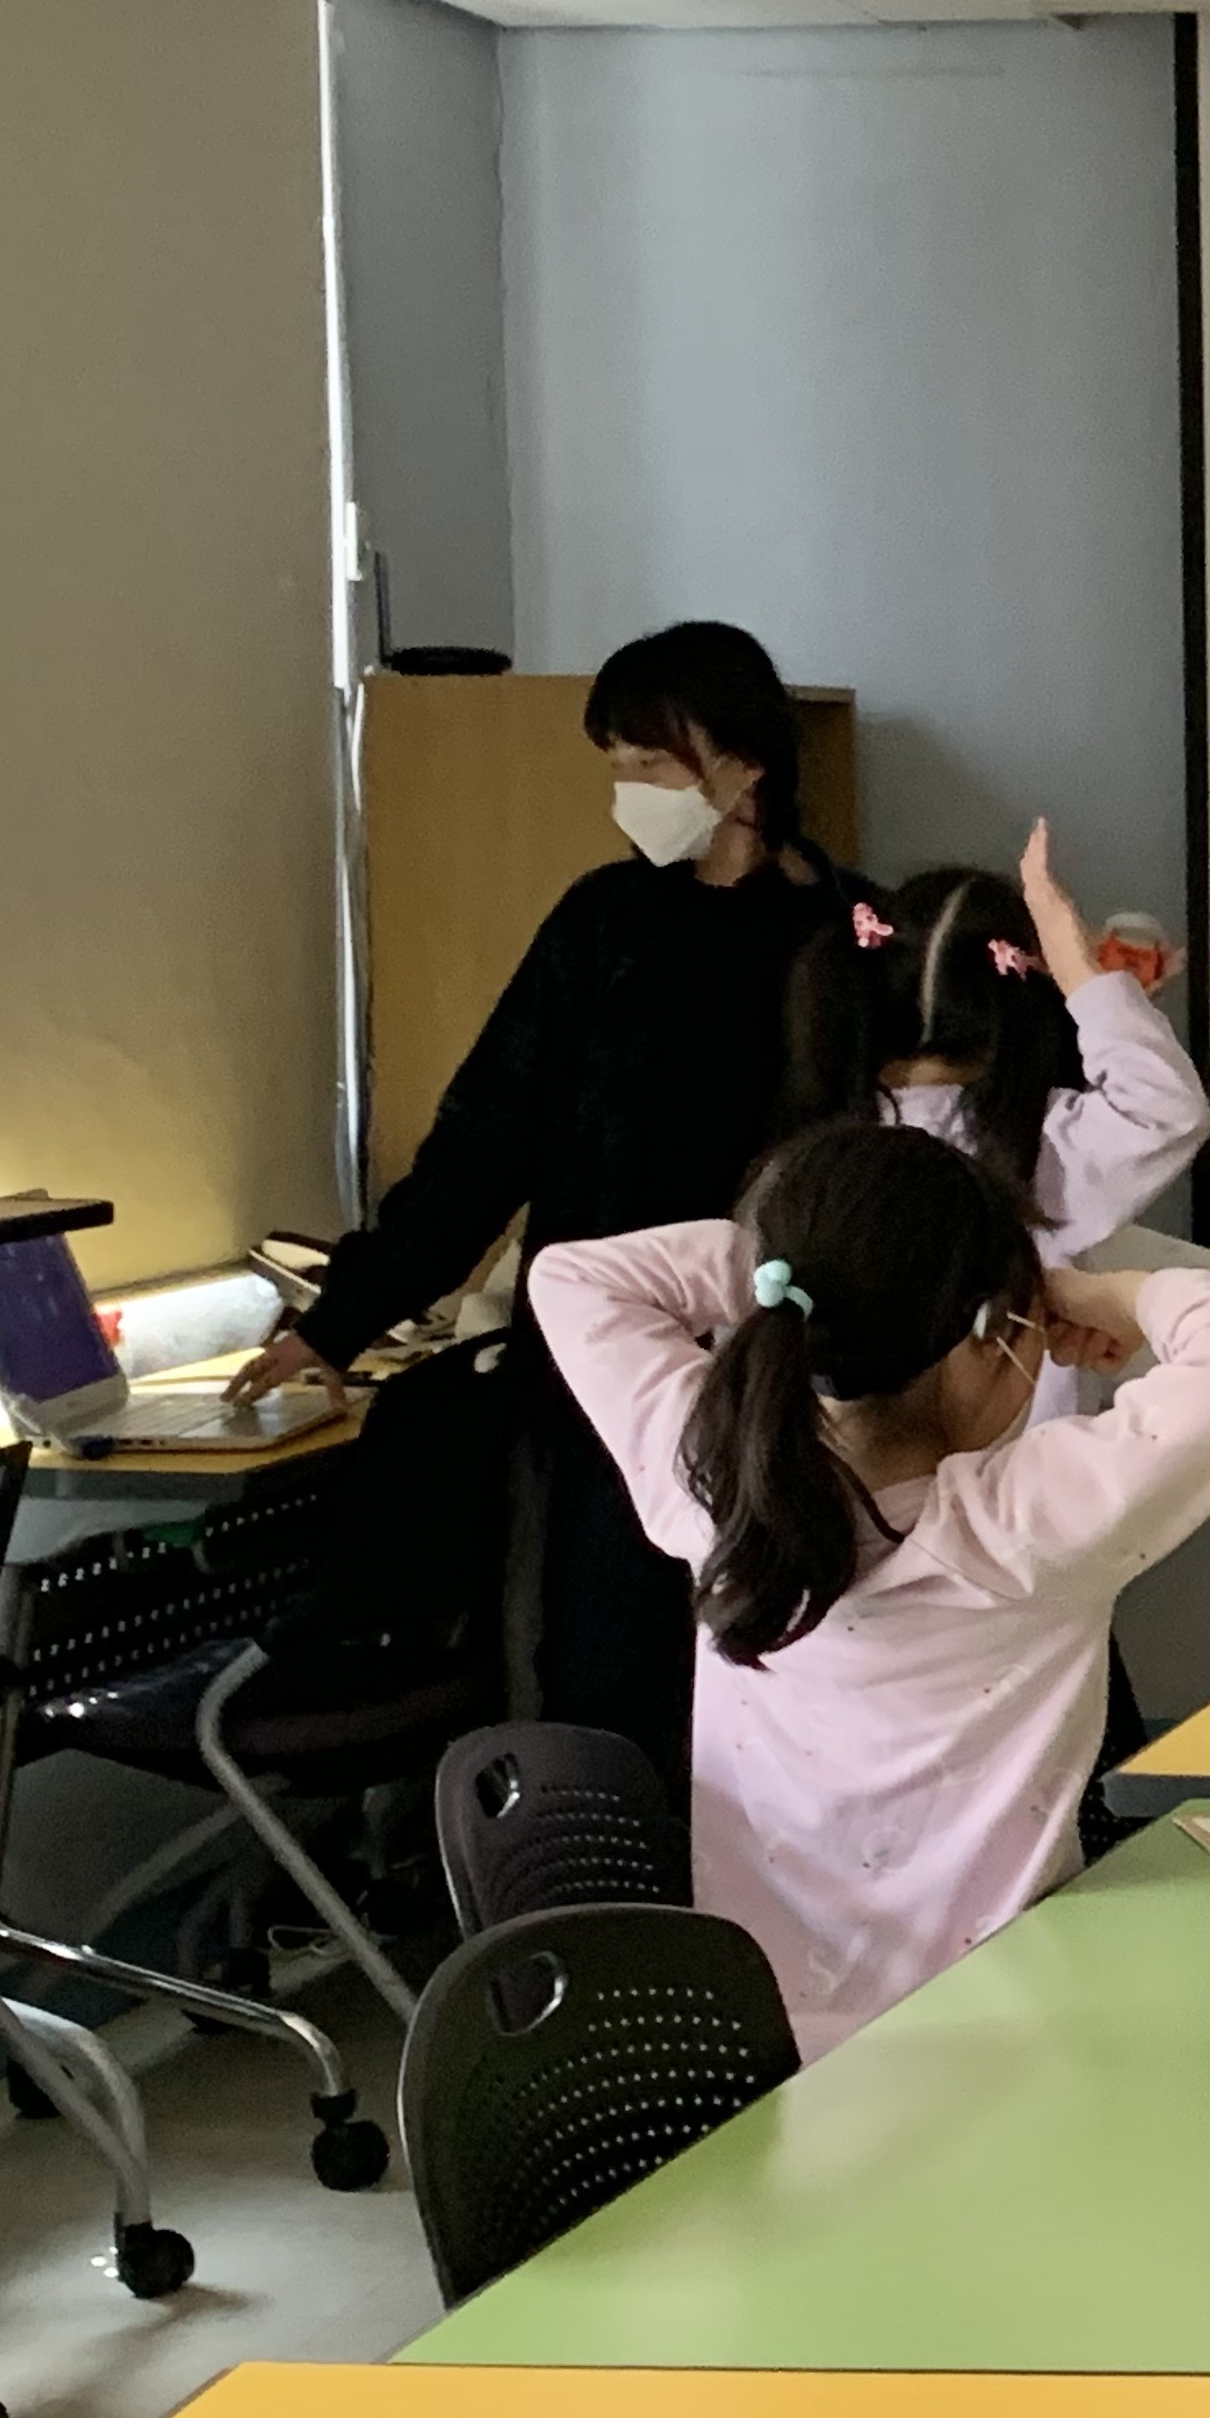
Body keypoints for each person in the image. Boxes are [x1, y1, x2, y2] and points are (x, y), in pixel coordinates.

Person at [530, 1120, 1210, 2055]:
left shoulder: (713, 1489)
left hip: (772, 2056)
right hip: (1010, 2042)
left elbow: (574, 1277)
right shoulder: (1027, 1523)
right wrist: (1107, 1292)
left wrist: (800, 1272)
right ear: (989, 1334)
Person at [231, 621, 865, 1774]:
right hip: (602, 1390)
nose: (628, 791)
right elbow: (483, 1146)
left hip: (797, 1382)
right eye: (615, 765)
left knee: (794, 1692)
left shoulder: (852, 932)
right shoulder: (603, 923)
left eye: (652, 763)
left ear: (743, 765)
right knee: (607, 1682)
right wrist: (339, 1320)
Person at [781, 820, 1208, 1407]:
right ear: (1030, 1012)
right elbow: (1165, 1106)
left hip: (857, 1452)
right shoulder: (1039, 1143)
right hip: (1028, 1457)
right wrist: (1085, 979)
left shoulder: (811, 1162)